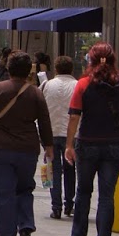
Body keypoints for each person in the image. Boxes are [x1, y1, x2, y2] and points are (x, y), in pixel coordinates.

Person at [64, 42, 119, 236]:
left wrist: (69, 144)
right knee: (107, 196)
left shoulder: (83, 84)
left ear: (91, 60)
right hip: (113, 145)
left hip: (87, 143)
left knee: (83, 191)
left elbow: (74, 116)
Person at [0, 51, 54, 236]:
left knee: (4, 192)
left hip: (1, 147)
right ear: (29, 70)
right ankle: (26, 225)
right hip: (27, 148)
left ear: (9, 69)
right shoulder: (35, 92)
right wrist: (49, 146)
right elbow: (44, 121)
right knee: (25, 188)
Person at [41, 54, 78, 221]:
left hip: (51, 132)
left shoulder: (47, 85)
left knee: (53, 170)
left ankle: (55, 207)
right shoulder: (77, 86)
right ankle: (69, 204)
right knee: (70, 170)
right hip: (72, 134)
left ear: (56, 69)